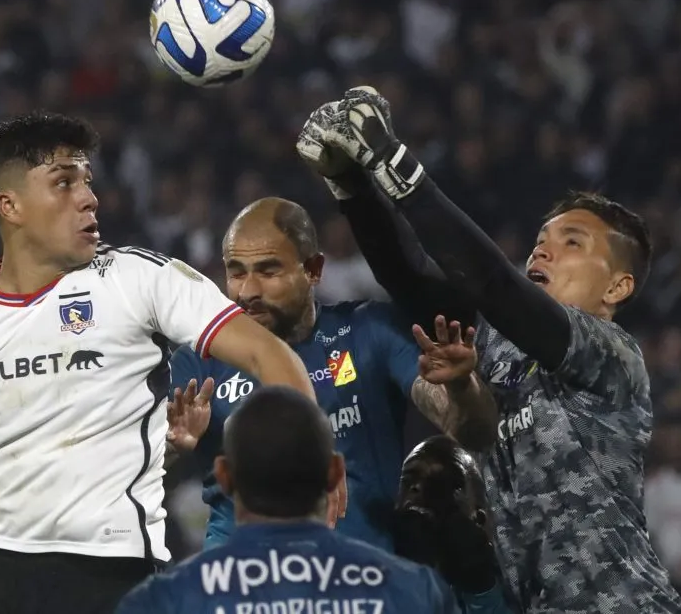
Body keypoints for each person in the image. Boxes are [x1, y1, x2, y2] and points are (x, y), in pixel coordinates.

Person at [295, 87, 681, 612]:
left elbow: (493, 282)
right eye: (542, 239)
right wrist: (349, 183)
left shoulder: (613, 357)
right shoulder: (495, 343)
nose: (544, 248)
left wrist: (391, 160)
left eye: (573, 242)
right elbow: (412, 277)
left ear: (617, 288)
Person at [0, 111, 318, 614]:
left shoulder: (139, 280)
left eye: (87, 180)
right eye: (64, 183)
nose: (89, 198)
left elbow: (269, 353)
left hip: (109, 573)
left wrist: (311, 466)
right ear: (10, 205)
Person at [166, 197, 496, 551]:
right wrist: (169, 446)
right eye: (236, 272)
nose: (248, 291)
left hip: (364, 578)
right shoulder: (198, 360)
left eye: (268, 270)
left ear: (314, 269)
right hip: (244, 586)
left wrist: (461, 384)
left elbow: (474, 431)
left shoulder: (368, 331)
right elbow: (137, 464)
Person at [116, 387, 513, 614]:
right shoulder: (415, 592)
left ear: (224, 477)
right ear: (335, 474)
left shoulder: (164, 601)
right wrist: (482, 592)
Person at [394, 435, 506, 603]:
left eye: (441, 485)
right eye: (408, 481)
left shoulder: (519, 585)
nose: (419, 487)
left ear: (480, 518)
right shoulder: (364, 578)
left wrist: (481, 591)